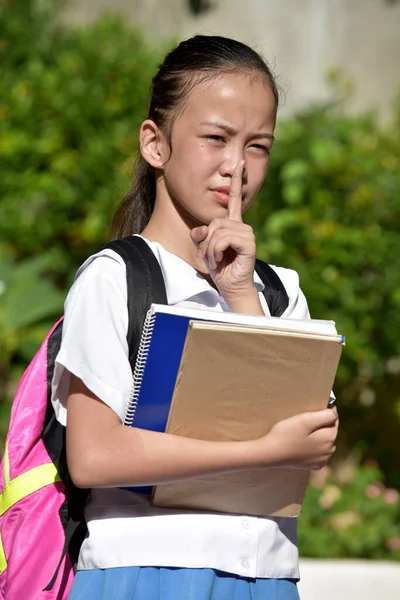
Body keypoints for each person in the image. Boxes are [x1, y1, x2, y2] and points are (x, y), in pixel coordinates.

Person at [51, 35, 338, 600]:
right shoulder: (115, 277)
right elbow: (94, 456)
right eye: (215, 138)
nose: (237, 166)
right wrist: (263, 450)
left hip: (267, 575)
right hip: (140, 573)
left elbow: (313, 444)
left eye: (259, 146)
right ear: (155, 144)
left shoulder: (278, 293)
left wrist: (240, 298)